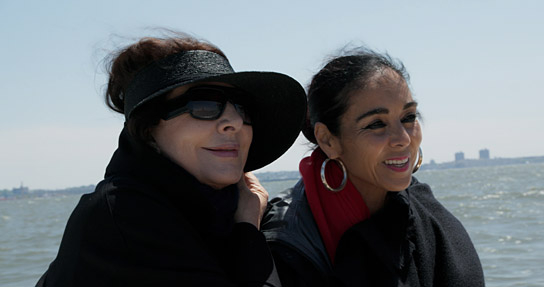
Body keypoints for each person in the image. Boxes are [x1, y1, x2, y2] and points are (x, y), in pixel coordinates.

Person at [36, 33, 306, 287]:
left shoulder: (217, 212)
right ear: (149, 130)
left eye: (241, 108)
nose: (234, 122)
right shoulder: (124, 215)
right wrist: (247, 227)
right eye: (204, 105)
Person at [261, 47, 485, 286]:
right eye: (377, 124)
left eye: (408, 117)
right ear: (328, 140)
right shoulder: (287, 240)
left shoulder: (427, 214)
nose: (403, 139)